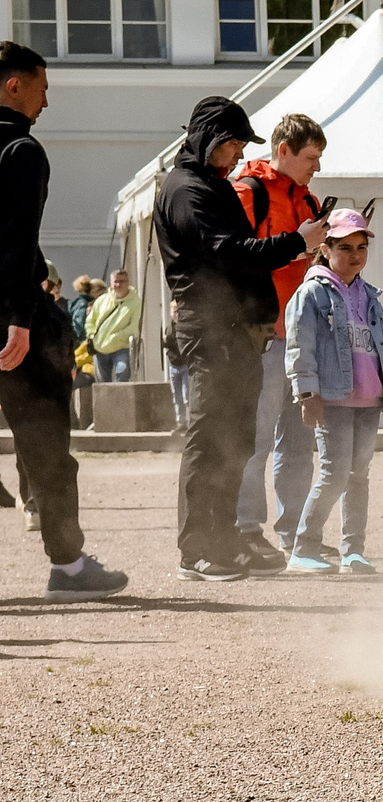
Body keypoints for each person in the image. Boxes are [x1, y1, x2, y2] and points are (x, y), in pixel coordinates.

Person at [156, 95, 324, 581]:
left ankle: (225, 539)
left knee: (235, 441)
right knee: (211, 439)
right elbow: (227, 252)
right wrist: (297, 242)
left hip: (237, 331)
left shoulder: (211, 185)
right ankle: (196, 550)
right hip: (211, 328)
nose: (238, 154)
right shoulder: (186, 189)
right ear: (209, 140)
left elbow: (238, 250)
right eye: (232, 144)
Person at [0, 41, 127, 598]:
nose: (46, 102)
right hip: (14, 321)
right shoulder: (21, 150)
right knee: (46, 445)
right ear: (14, 86)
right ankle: (70, 568)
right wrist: (20, 317)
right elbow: (16, 240)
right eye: (42, 88)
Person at [282, 209, 383, 574]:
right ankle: (303, 547)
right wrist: (307, 395)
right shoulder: (311, 293)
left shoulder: (370, 296)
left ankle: (353, 551)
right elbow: (299, 347)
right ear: (325, 249)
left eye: (361, 247)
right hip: (332, 399)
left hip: (368, 401)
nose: (355, 255)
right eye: (345, 247)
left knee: (358, 476)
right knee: (334, 473)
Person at [234, 111, 328, 559]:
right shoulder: (247, 192)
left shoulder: (308, 200)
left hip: (302, 338)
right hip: (264, 337)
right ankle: (247, 529)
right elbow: (237, 258)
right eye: (311, 157)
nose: (317, 167)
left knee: (299, 443)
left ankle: (297, 533)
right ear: (283, 150)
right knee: (255, 440)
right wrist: (297, 248)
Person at [85, 270, 139, 384]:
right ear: (111, 283)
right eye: (116, 282)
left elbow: (134, 327)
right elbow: (90, 320)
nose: (118, 285)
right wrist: (91, 334)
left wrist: (116, 337)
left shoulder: (135, 301)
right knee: (102, 384)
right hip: (100, 347)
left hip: (121, 347)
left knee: (123, 372)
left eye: (122, 281)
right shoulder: (101, 300)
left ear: (128, 282)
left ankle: (120, 396)